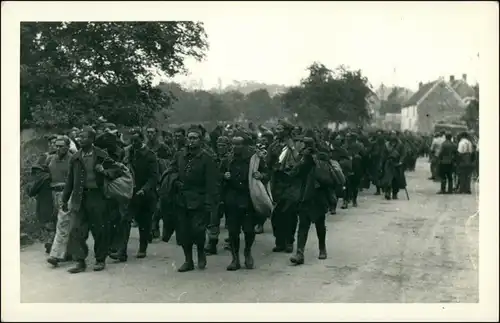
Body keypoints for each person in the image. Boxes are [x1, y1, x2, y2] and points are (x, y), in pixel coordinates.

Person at [63, 126, 123, 273]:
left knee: (100, 229)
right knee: (76, 229)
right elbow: (70, 180)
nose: (80, 139)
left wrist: (105, 171)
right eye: (79, 137)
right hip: (79, 197)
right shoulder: (75, 157)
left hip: (97, 196)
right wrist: (64, 199)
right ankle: (80, 261)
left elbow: (118, 170)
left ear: (91, 139)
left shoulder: (101, 155)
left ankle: (100, 259)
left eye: (83, 137)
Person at [170, 125, 218, 272]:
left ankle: (201, 253)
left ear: (200, 140)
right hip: (182, 199)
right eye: (189, 138)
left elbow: (212, 182)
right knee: (183, 232)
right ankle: (188, 260)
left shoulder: (207, 158)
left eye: (195, 138)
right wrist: (175, 180)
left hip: (199, 200)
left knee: (198, 230)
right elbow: (171, 170)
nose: (191, 141)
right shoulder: (179, 155)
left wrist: (210, 202)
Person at [222, 133, 269, 270]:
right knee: (233, 231)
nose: (236, 147)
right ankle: (235, 258)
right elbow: (218, 175)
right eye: (234, 144)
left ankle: (247, 252)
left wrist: (260, 175)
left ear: (245, 145)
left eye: (239, 144)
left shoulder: (254, 160)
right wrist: (224, 176)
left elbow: (267, 173)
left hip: (248, 199)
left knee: (249, 230)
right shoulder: (227, 159)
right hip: (232, 199)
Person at [290, 136, 330, 265]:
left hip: (318, 197)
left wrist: (314, 159)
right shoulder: (302, 158)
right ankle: (299, 253)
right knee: (303, 225)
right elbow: (294, 173)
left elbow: (325, 178)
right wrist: (303, 160)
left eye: (307, 145)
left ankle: (322, 248)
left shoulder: (321, 157)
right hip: (304, 197)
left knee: (320, 225)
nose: (305, 147)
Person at [267, 120, 304, 253]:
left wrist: (292, 148)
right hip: (278, 182)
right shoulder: (274, 145)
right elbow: (268, 163)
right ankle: (279, 241)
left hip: (292, 182)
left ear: (287, 131)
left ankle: (289, 241)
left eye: (280, 128)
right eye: (276, 129)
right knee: (277, 214)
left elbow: (300, 161)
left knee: (290, 213)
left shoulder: (298, 144)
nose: (277, 131)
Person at [46, 136, 73, 267]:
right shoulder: (50, 159)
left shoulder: (73, 159)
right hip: (54, 193)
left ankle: (55, 255)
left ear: (68, 146)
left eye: (61, 146)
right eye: (56, 145)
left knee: (63, 223)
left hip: (67, 194)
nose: (58, 148)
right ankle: (68, 251)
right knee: (64, 222)